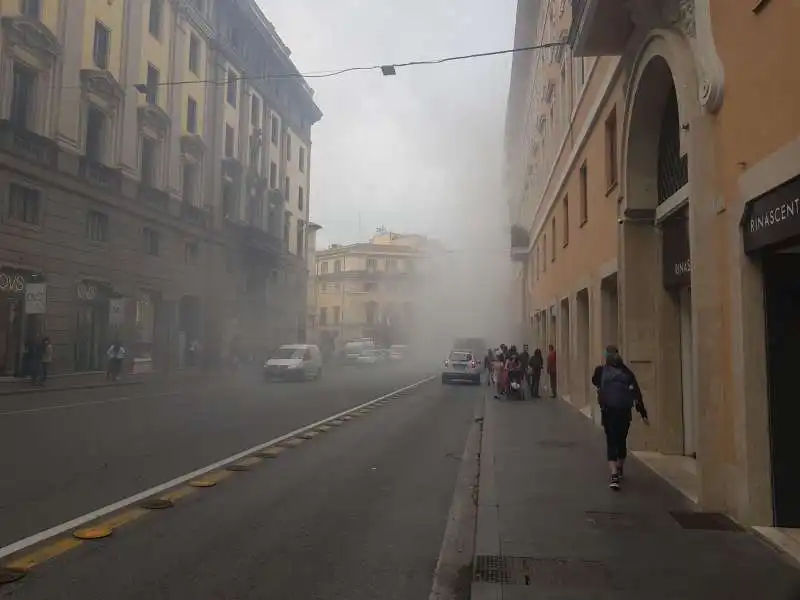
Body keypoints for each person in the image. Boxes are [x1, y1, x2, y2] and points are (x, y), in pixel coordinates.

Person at [592, 345, 649, 490]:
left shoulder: (601, 370)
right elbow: (636, 394)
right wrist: (643, 413)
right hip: (624, 412)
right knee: (621, 440)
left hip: (608, 411)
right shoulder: (627, 372)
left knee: (611, 440)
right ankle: (620, 467)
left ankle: (614, 474)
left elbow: (594, 381)